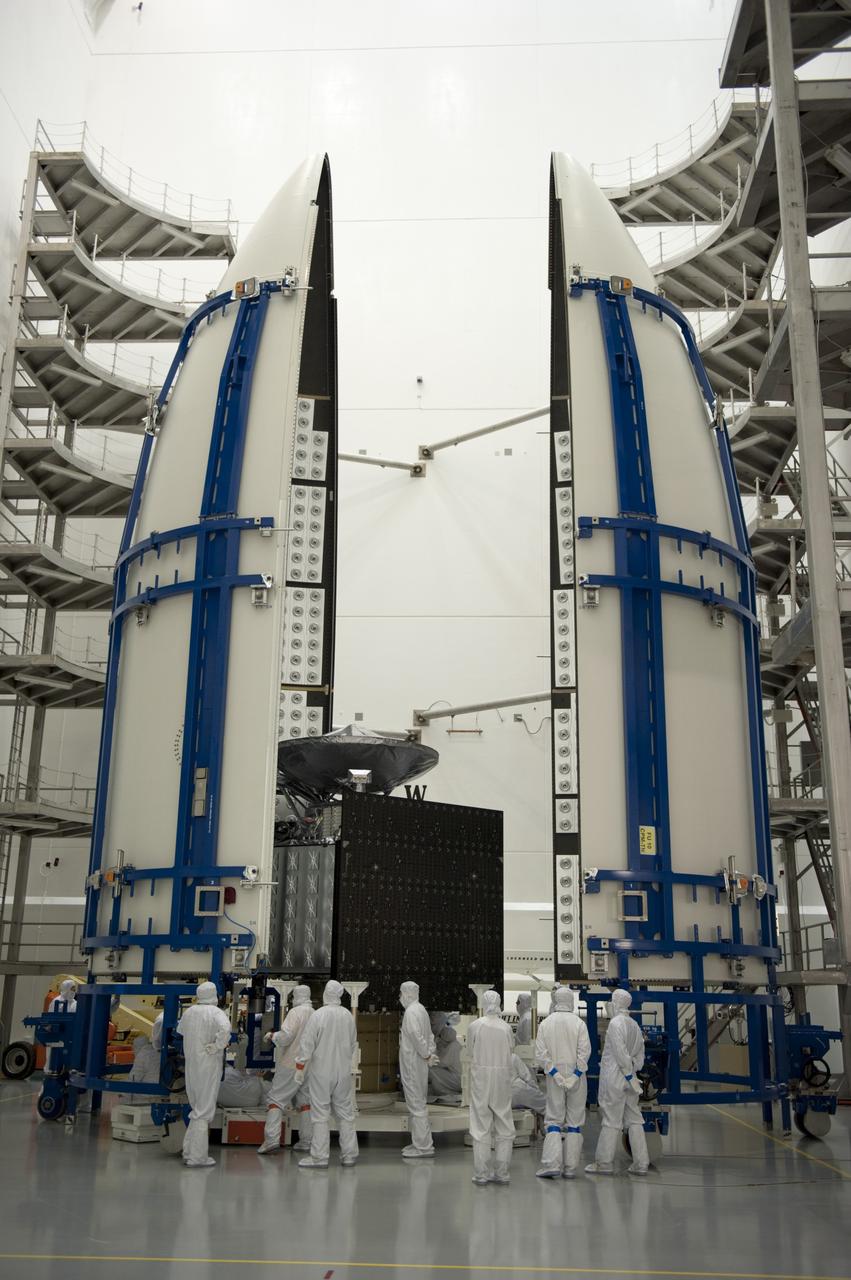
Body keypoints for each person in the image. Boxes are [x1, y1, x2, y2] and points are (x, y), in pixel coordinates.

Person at [294, 979, 358, 1169]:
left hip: (322, 1072)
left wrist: (299, 1067)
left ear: (326, 994)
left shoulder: (319, 1015)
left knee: (321, 1113)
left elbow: (307, 1044)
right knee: (345, 1113)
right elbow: (353, 1043)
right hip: (343, 1073)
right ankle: (349, 1155)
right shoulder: (348, 1015)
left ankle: (320, 1157)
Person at [586, 988, 650, 1176]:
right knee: (634, 1119)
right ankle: (641, 1163)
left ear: (615, 1003)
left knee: (611, 1119)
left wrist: (628, 1073)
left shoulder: (615, 1023)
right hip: (631, 1078)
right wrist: (634, 1072)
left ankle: (604, 1163)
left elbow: (620, 1053)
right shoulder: (634, 1025)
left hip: (616, 1076)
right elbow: (640, 1054)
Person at [535, 986, 590, 1178]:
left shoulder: (546, 1023)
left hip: (554, 1076)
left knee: (554, 1119)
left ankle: (551, 1163)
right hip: (577, 1076)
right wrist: (574, 1075)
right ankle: (570, 1168)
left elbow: (541, 1053)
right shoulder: (579, 1023)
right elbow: (585, 1052)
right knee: (574, 1121)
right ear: (571, 1000)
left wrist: (556, 1074)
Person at [176, 980, 231, 1168]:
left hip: (191, 1065)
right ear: (214, 994)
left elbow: (181, 1031)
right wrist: (216, 1046)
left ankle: (189, 1150)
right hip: (208, 1064)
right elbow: (226, 1030)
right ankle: (197, 1158)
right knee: (204, 1109)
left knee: (196, 1106)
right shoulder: (216, 1013)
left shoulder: (189, 1012)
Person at [257, 984, 314, 1155]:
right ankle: (306, 1141)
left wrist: (272, 1036)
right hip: (309, 1066)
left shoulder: (295, 1012)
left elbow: (287, 1036)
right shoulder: (315, 1013)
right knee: (306, 1104)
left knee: (276, 1099)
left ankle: (271, 1140)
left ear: (295, 996)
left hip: (291, 1063)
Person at [468, 990, 515, 1186]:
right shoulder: (506, 1028)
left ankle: (481, 1174)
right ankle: (502, 1173)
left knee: (480, 1124)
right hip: (502, 1078)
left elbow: (470, 1051)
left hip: (481, 1078)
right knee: (504, 1123)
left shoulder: (475, 1026)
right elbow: (511, 1051)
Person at [398, 981, 439, 1158]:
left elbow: (416, 1036)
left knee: (416, 1103)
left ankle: (423, 1147)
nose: (400, 998)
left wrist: (426, 1055)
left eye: (401, 994)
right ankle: (419, 1143)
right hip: (419, 1063)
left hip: (413, 1063)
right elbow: (429, 1035)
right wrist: (429, 1053)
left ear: (406, 994)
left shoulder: (411, 1012)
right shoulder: (421, 1010)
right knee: (418, 1101)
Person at [428, 1011, 463, 1099]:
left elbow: (443, 1063)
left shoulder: (453, 1046)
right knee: (436, 1077)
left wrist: (429, 1058)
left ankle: (447, 1093)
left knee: (433, 1071)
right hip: (455, 1076)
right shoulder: (454, 1045)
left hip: (458, 1079)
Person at [120, 1034, 161, 1103]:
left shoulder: (143, 1054)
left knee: (124, 1099)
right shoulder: (157, 1051)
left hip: (149, 1093)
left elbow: (134, 1077)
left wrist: (121, 1093)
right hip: (162, 1090)